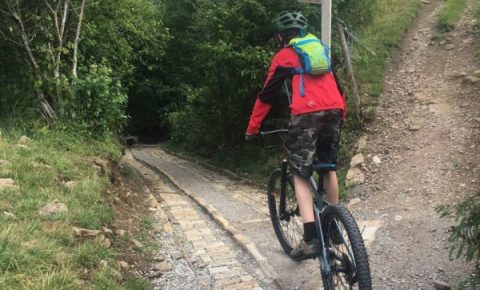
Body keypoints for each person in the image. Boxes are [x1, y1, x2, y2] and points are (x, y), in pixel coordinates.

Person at [245, 10, 346, 260]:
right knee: (328, 167)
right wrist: (340, 116)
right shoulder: (321, 49)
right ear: (302, 32)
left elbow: (267, 95)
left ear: (281, 36)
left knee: (300, 173)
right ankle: (333, 227)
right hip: (334, 109)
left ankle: (310, 238)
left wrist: (252, 129)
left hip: (306, 114)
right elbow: (338, 86)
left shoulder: (284, 56)